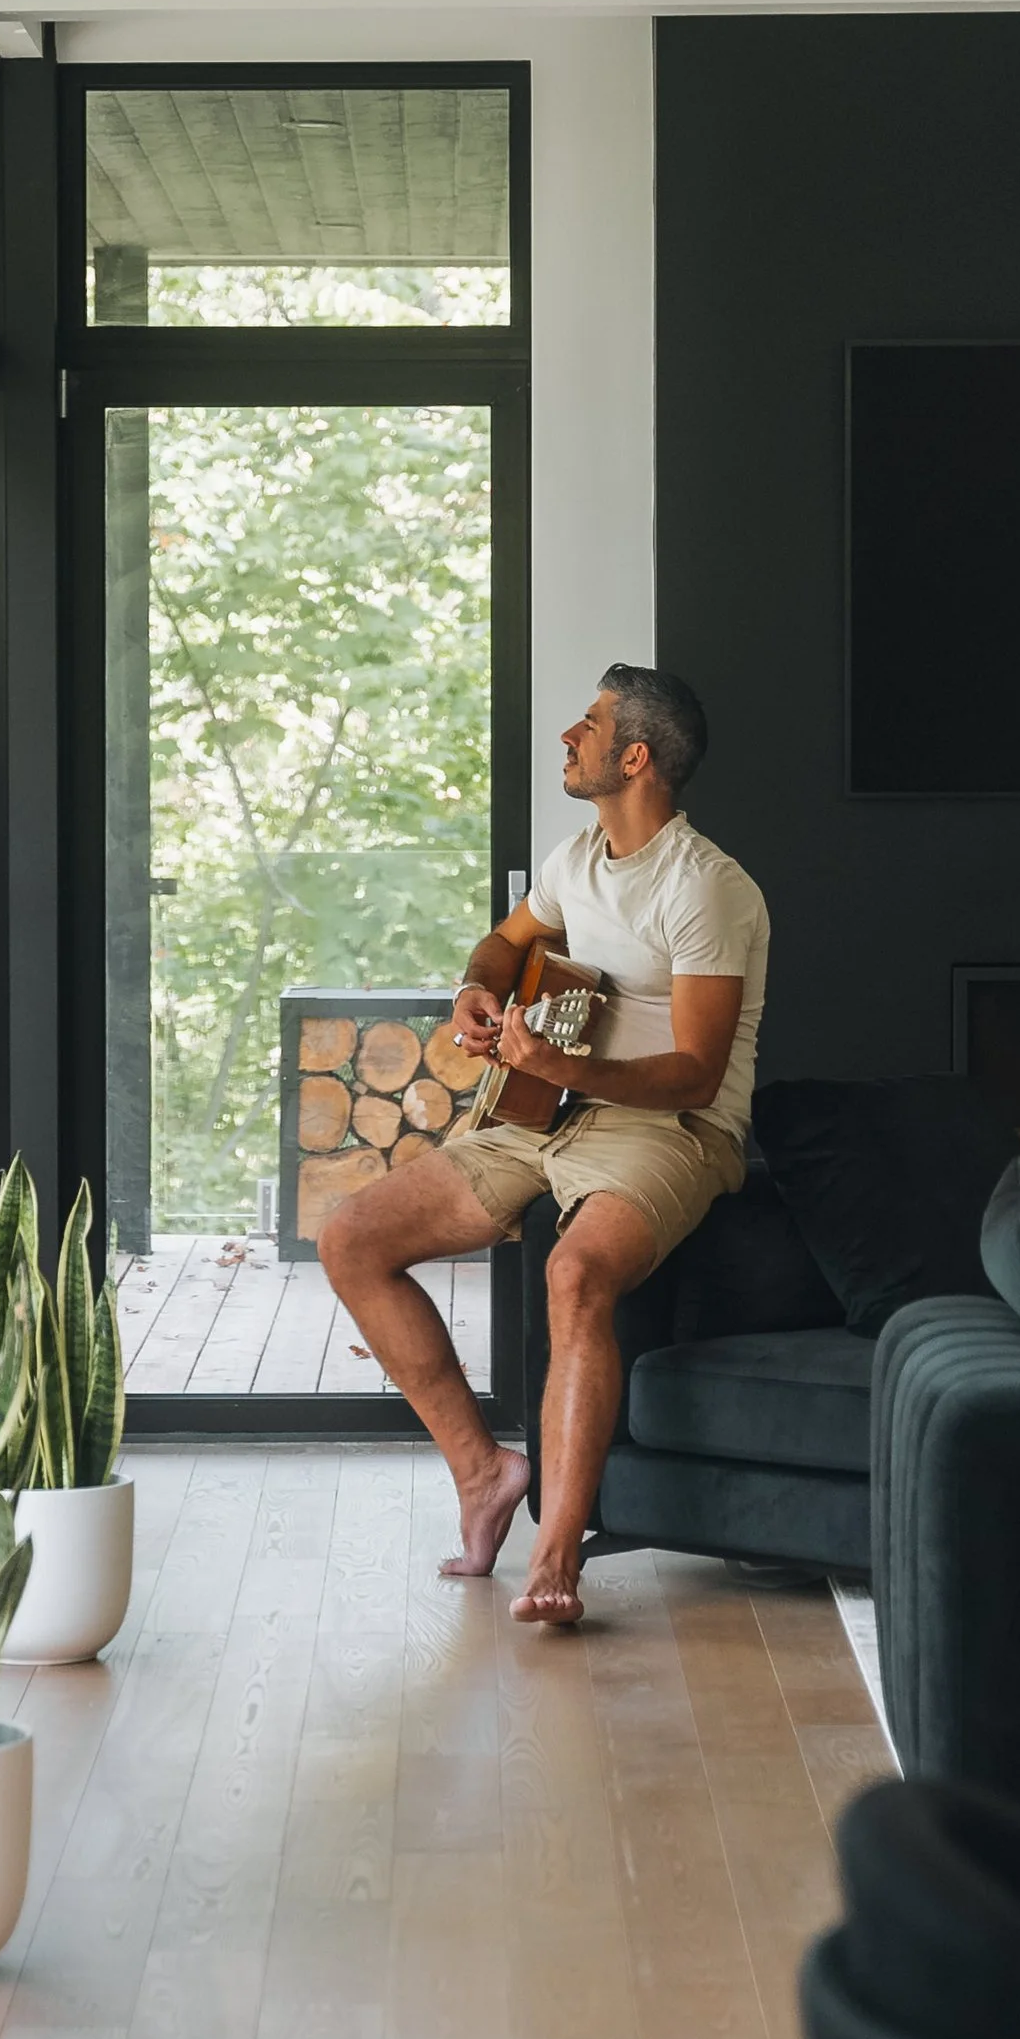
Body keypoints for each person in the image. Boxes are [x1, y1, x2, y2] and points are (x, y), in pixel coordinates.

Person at [319, 663, 770, 1626]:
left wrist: (567, 1073)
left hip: (672, 1130)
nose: (570, 736)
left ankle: (558, 1554)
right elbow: (502, 945)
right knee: (352, 1238)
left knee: (575, 1274)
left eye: (591, 725)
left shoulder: (709, 888)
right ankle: (485, 1473)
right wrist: (476, 993)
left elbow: (695, 1070)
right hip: (546, 1107)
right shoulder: (577, 859)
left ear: (636, 756)